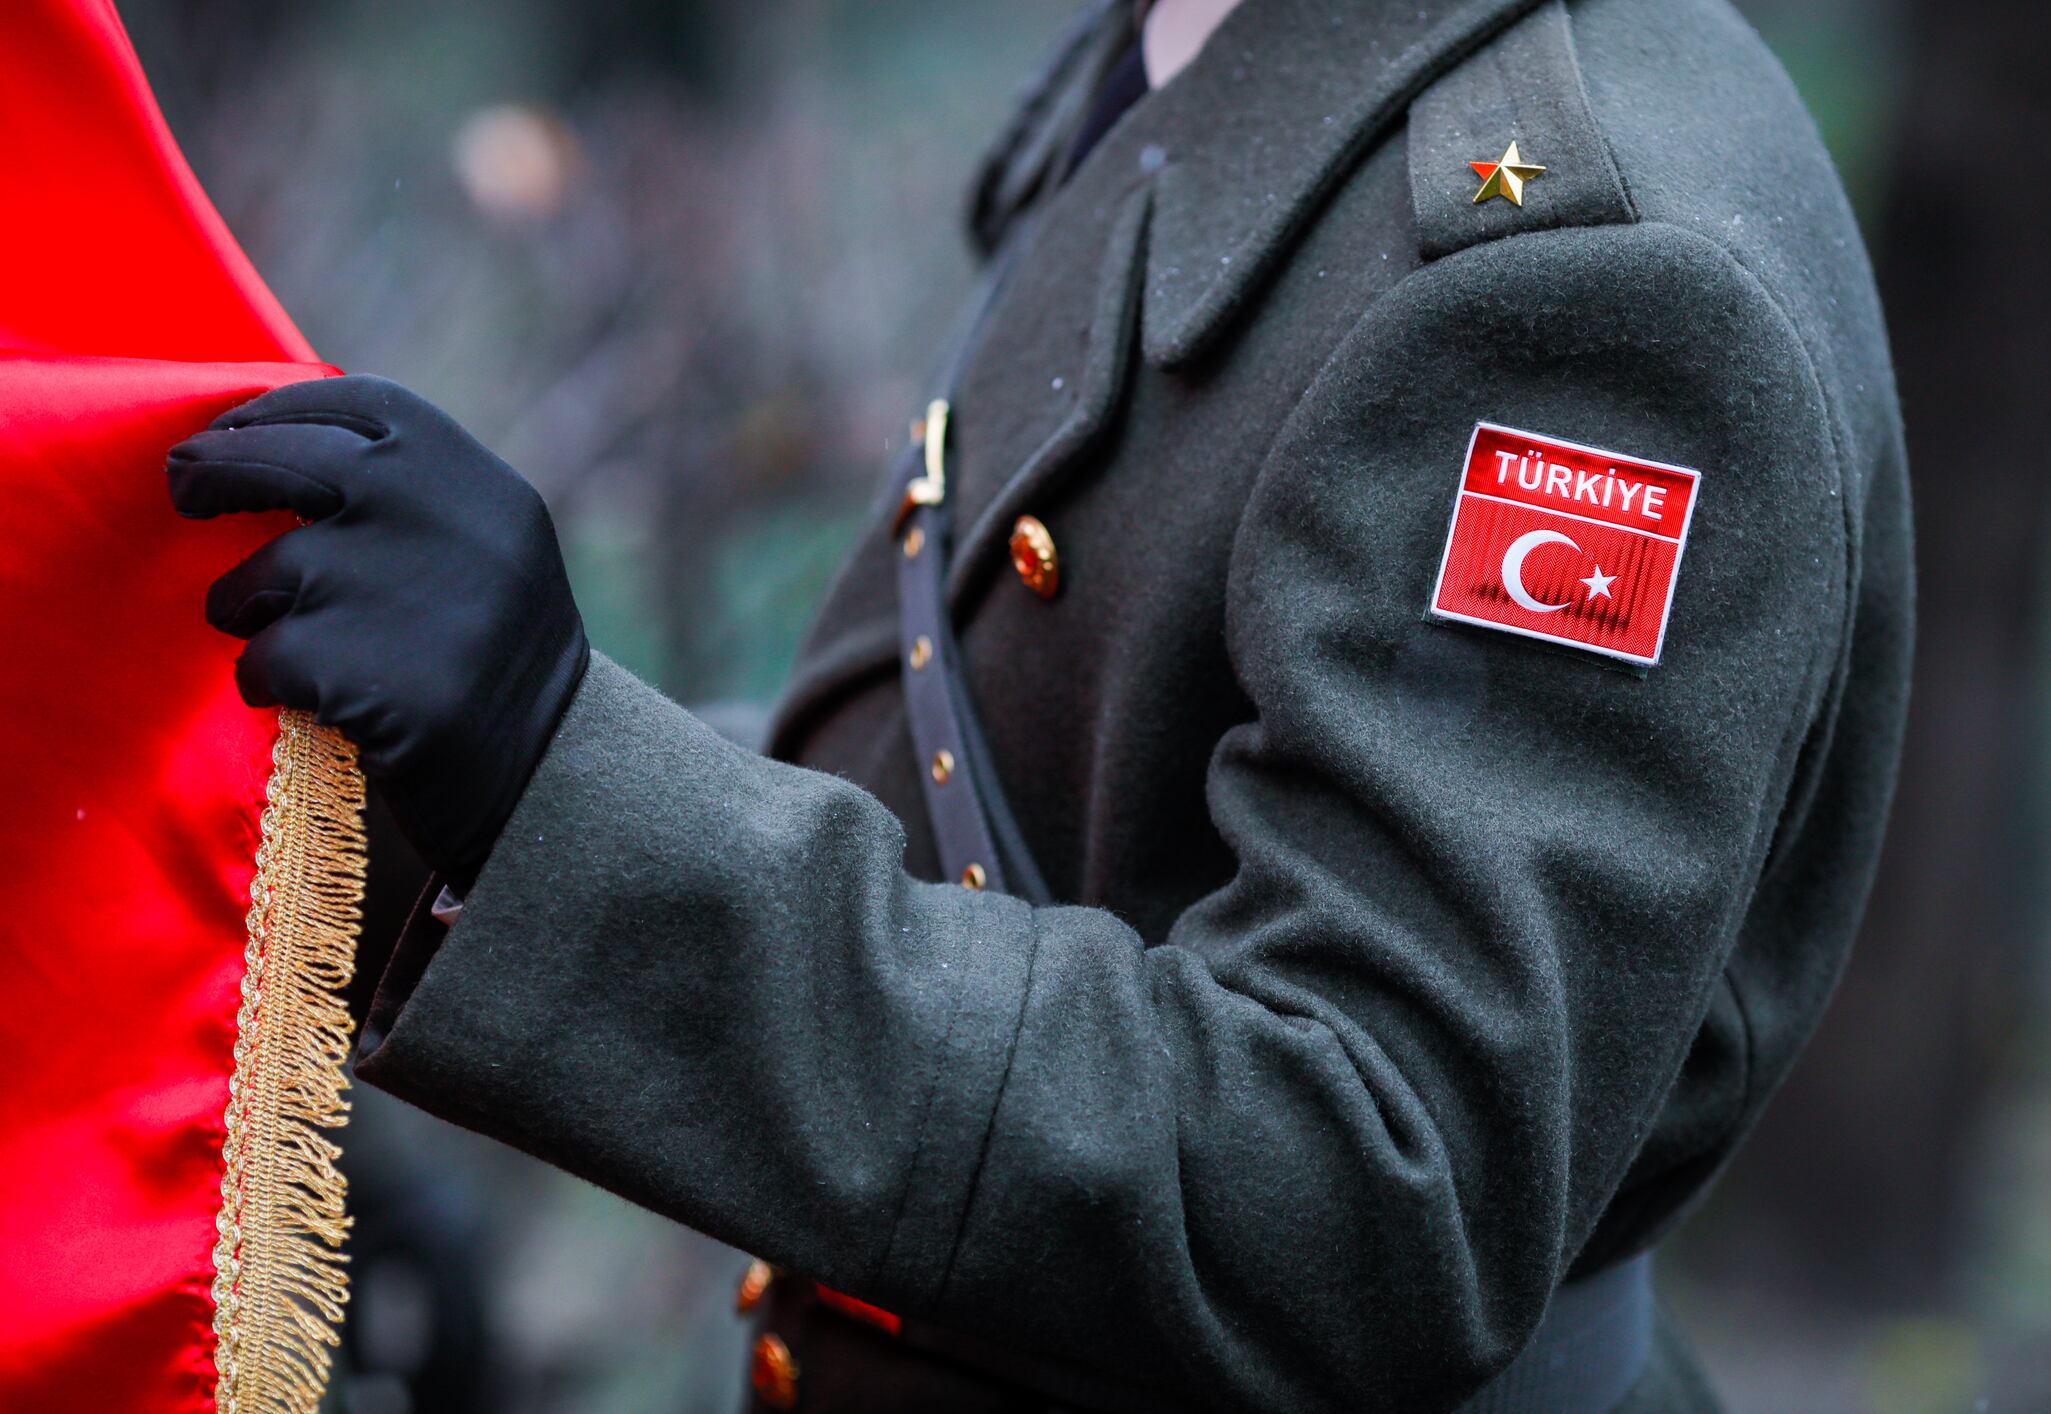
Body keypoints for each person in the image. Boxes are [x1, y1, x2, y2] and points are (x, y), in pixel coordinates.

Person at [162, 0, 1911, 1408]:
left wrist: (553, 775)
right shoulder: (1217, 43)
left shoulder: (1579, 275)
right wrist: (443, 798)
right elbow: (1023, 783)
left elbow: (1359, 1192)